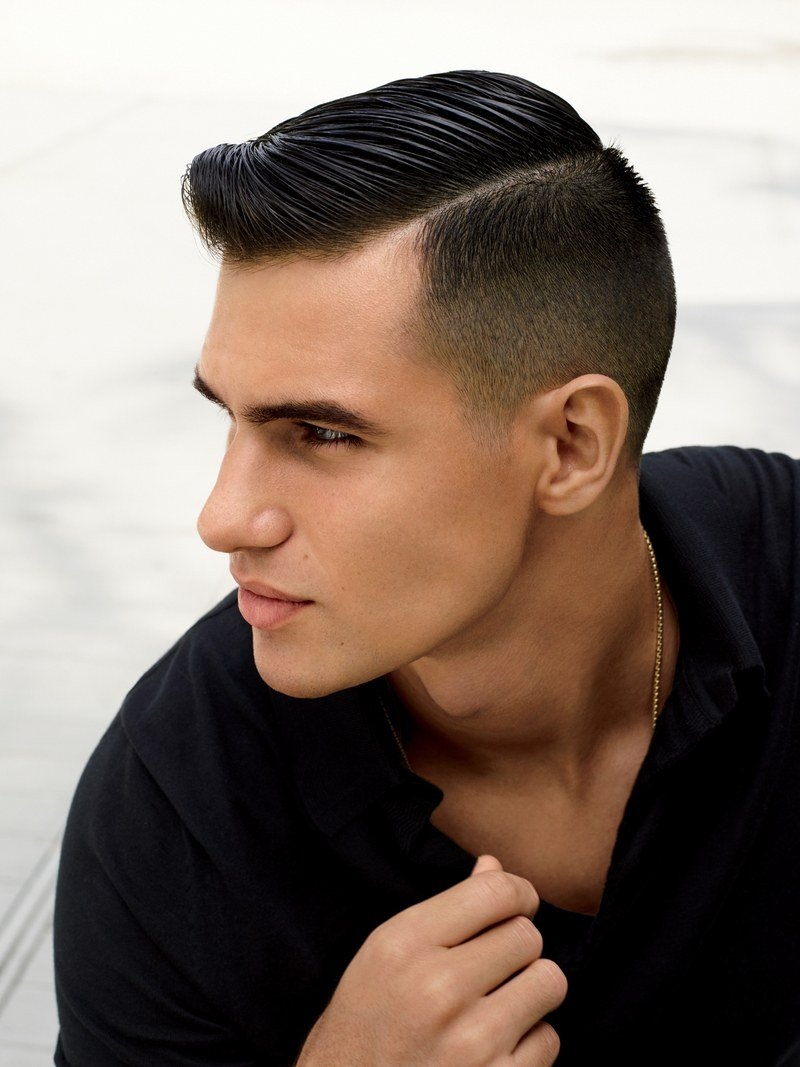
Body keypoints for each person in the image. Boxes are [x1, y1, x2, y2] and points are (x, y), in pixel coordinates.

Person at [52, 69, 800, 1067]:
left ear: (570, 445)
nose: (223, 516)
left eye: (322, 432)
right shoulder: (179, 808)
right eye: (231, 417)